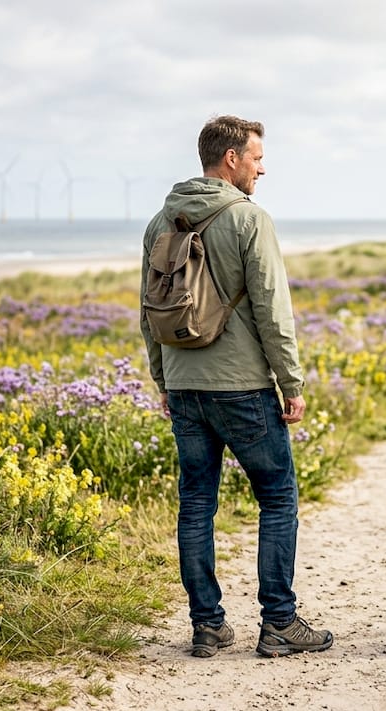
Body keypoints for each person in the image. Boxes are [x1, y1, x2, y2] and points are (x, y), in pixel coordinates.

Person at [139, 115, 334, 659]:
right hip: (243, 387)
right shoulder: (250, 219)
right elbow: (274, 309)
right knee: (277, 496)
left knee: (196, 504)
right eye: (256, 157)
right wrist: (290, 382)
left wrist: (163, 378)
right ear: (230, 159)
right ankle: (279, 623)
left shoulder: (161, 221)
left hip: (183, 386)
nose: (262, 167)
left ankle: (207, 626)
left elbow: (147, 311)